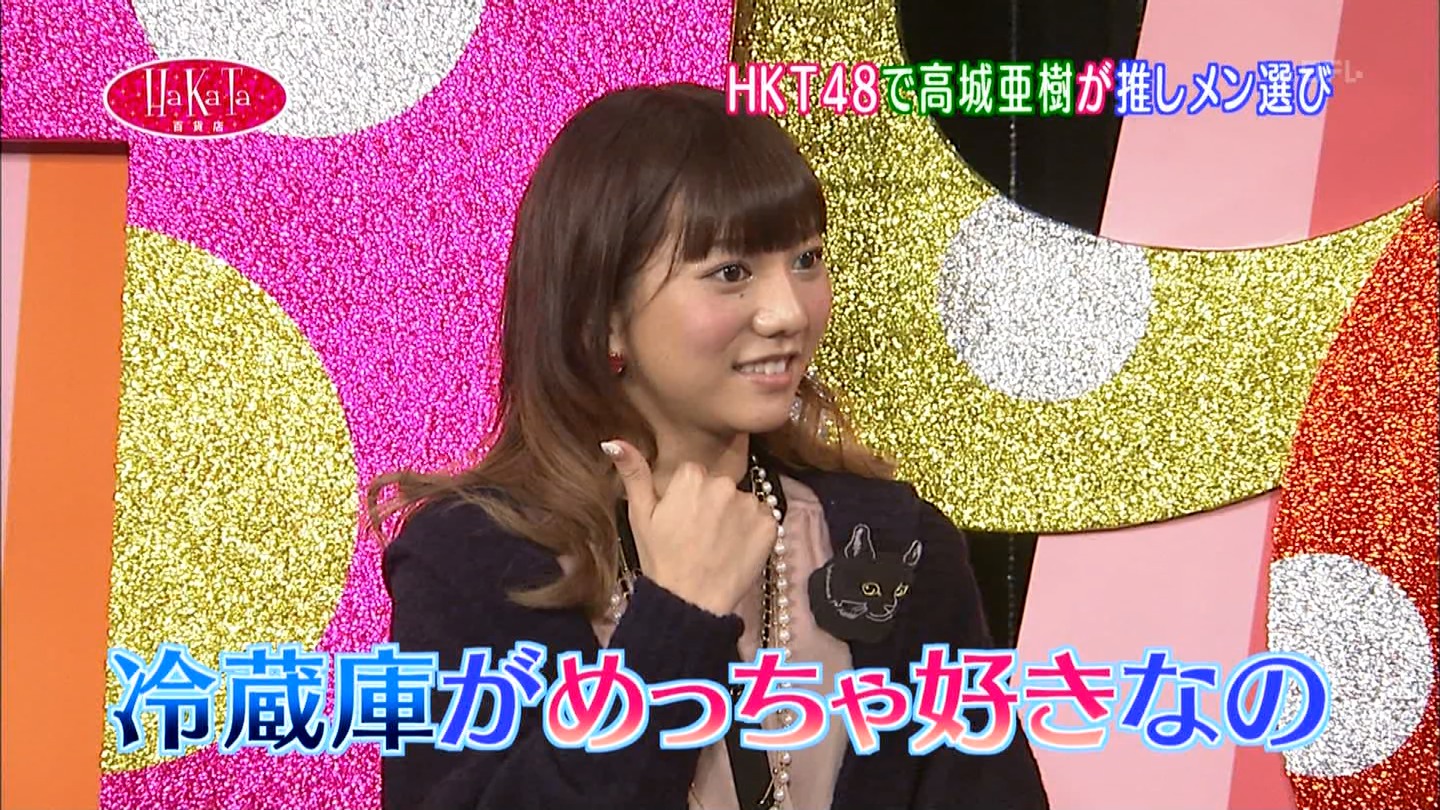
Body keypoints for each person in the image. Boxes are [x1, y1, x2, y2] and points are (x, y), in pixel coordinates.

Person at [367, 82, 1049, 810]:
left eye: (806, 259)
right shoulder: (472, 559)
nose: (788, 312)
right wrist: (673, 623)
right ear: (603, 317)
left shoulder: (894, 545)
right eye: (731, 273)